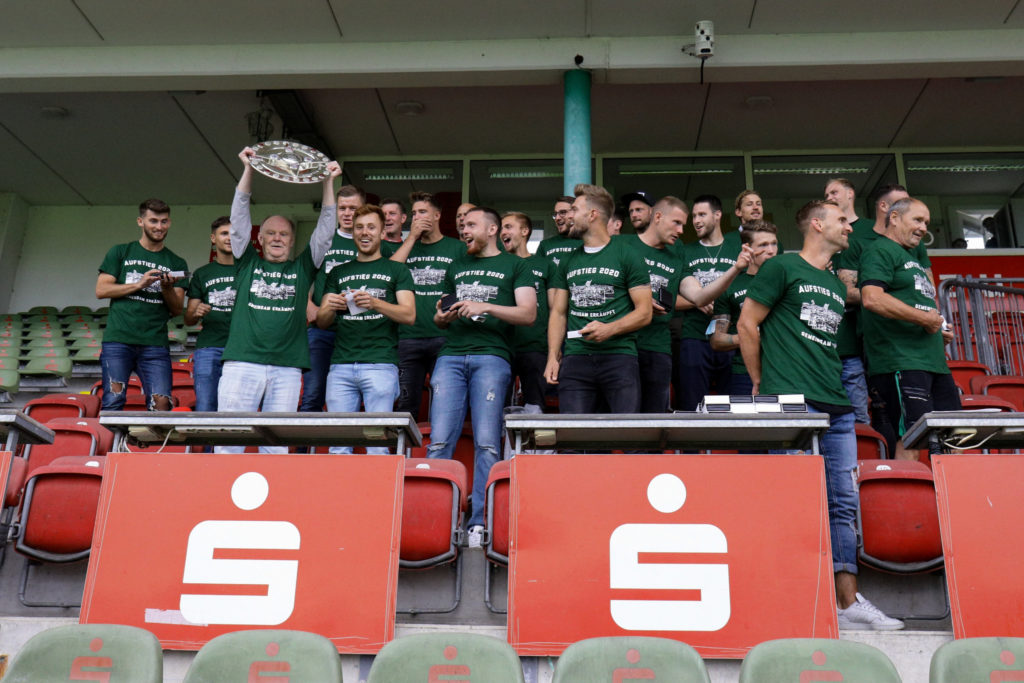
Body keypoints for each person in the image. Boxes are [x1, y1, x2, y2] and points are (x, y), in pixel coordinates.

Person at [737, 199, 903, 631]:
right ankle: (793, 597)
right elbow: (747, 324)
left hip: (837, 406)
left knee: (843, 504)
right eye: (842, 220)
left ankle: (847, 602)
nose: (850, 226)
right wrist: (759, 381)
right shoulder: (781, 267)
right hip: (791, 401)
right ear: (816, 224)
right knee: (792, 500)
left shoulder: (831, 282)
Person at [215, 147, 339, 453]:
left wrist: (327, 182)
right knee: (229, 443)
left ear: (293, 240)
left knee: (277, 449)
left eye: (284, 234)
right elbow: (239, 217)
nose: (277, 238)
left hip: (287, 367)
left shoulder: (303, 267)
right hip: (242, 362)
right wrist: (248, 169)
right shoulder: (247, 262)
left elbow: (325, 232)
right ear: (259, 238)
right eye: (270, 233)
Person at [429, 207, 535, 547]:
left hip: (492, 355)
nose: (464, 230)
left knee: (487, 442)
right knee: (439, 442)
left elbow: (528, 313)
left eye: (471, 224)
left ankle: (479, 522)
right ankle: (435, 520)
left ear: (492, 230)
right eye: (462, 225)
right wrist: (443, 317)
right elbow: (438, 315)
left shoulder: (516, 265)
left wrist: (484, 306)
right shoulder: (456, 265)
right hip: (450, 355)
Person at [628, 196, 753, 412]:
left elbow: (696, 296)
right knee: (626, 413)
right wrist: (642, 298)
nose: (682, 229)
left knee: (656, 416)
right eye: (678, 222)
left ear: (718, 215)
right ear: (658, 217)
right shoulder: (626, 245)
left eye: (699, 215)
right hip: (629, 345)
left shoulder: (677, 253)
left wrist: (735, 269)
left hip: (662, 346)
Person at [860, 197, 960, 459]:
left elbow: (919, 306)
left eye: (926, 222)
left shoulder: (911, 257)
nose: (924, 227)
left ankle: (959, 488)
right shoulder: (879, 250)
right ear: (894, 218)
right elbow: (872, 298)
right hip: (901, 361)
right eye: (917, 220)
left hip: (934, 362)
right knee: (911, 439)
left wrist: (937, 330)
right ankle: (905, 489)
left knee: (955, 439)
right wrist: (924, 319)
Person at [543, 184, 652, 413]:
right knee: (573, 434)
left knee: (626, 432)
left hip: (619, 357)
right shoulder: (568, 260)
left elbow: (645, 312)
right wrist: (553, 356)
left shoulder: (627, 255)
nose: (569, 216)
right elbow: (559, 312)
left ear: (592, 214)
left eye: (574, 210)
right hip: (575, 359)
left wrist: (609, 329)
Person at [317, 204, 415, 453]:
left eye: (371, 227)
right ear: (353, 233)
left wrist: (375, 303)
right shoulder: (339, 271)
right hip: (341, 364)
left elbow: (409, 314)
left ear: (382, 232)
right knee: (338, 447)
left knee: (378, 446)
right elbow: (322, 321)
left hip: (380, 363)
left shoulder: (397, 269)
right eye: (359, 227)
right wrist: (332, 306)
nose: (364, 232)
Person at [835, 184, 929, 434]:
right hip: (879, 342)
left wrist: (936, 321)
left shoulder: (916, 246)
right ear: (888, 210)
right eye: (902, 204)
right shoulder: (862, 243)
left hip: (919, 344)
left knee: (942, 427)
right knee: (896, 423)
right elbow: (854, 293)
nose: (921, 226)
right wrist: (898, 301)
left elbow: (927, 290)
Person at [95, 198, 188, 411]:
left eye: (164, 221)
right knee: (113, 401)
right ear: (140, 221)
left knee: (162, 405)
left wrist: (166, 288)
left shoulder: (176, 262)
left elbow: (176, 310)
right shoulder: (121, 251)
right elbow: (101, 290)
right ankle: (113, 436)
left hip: (155, 343)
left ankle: (152, 436)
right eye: (153, 221)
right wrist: (140, 284)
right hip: (118, 340)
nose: (159, 227)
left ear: (169, 223)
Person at [391, 191, 467, 418]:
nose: (417, 217)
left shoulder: (457, 248)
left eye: (422, 212)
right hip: (408, 336)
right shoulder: (407, 247)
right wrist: (411, 238)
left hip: (445, 336)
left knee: (444, 403)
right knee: (406, 404)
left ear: (437, 215)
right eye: (414, 213)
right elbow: (388, 275)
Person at [300, 184, 376, 414]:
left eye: (353, 208)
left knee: (352, 400)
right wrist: (309, 307)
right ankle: (307, 439)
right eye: (342, 208)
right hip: (321, 331)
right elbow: (301, 277)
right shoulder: (324, 240)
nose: (347, 213)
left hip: (357, 331)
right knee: (312, 396)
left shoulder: (370, 242)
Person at [676, 194, 741, 411]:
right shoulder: (685, 251)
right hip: (694, 336)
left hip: (731, 337)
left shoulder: (737, 249)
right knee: (692, 406)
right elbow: (670, 298)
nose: (696, 221)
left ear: (717, 215)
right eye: (694, 216)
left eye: (702, 215)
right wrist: (697, 301)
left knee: (732, 408)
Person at [710, 220, 779, 394]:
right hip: (744, 372)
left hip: (784, 370)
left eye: (774, 244)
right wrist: (751, 336)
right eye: (763, 245)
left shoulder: (789, 281)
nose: (771, 250)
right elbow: (716, 340)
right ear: (747, 249)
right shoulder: (731, 286)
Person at [501, 211, 554, 411]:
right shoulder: (498, 264)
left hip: (535, 346)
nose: (502, 232)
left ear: (525, 231)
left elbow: (555, 309)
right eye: (501, 228)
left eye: (508, 227)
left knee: (535, 408)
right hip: (502, 348)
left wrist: (553, 349)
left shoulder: (545, 265)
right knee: (497, 409)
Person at [184, 216, 236, 412]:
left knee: (235, 409)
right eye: (224, 233)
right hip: (209, 347)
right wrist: (196, 311)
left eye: (233, 234)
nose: (229, 238)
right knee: (205, 407)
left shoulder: (249, 270)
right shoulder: (202, 273)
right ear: (213, 238)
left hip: (241, 349)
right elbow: (189, 319)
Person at [535, 196, 580, 267]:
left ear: (575, 213)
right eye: (555, 214)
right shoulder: (545, 245)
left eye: (563, 212)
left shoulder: (587, 242)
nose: (557, 218)